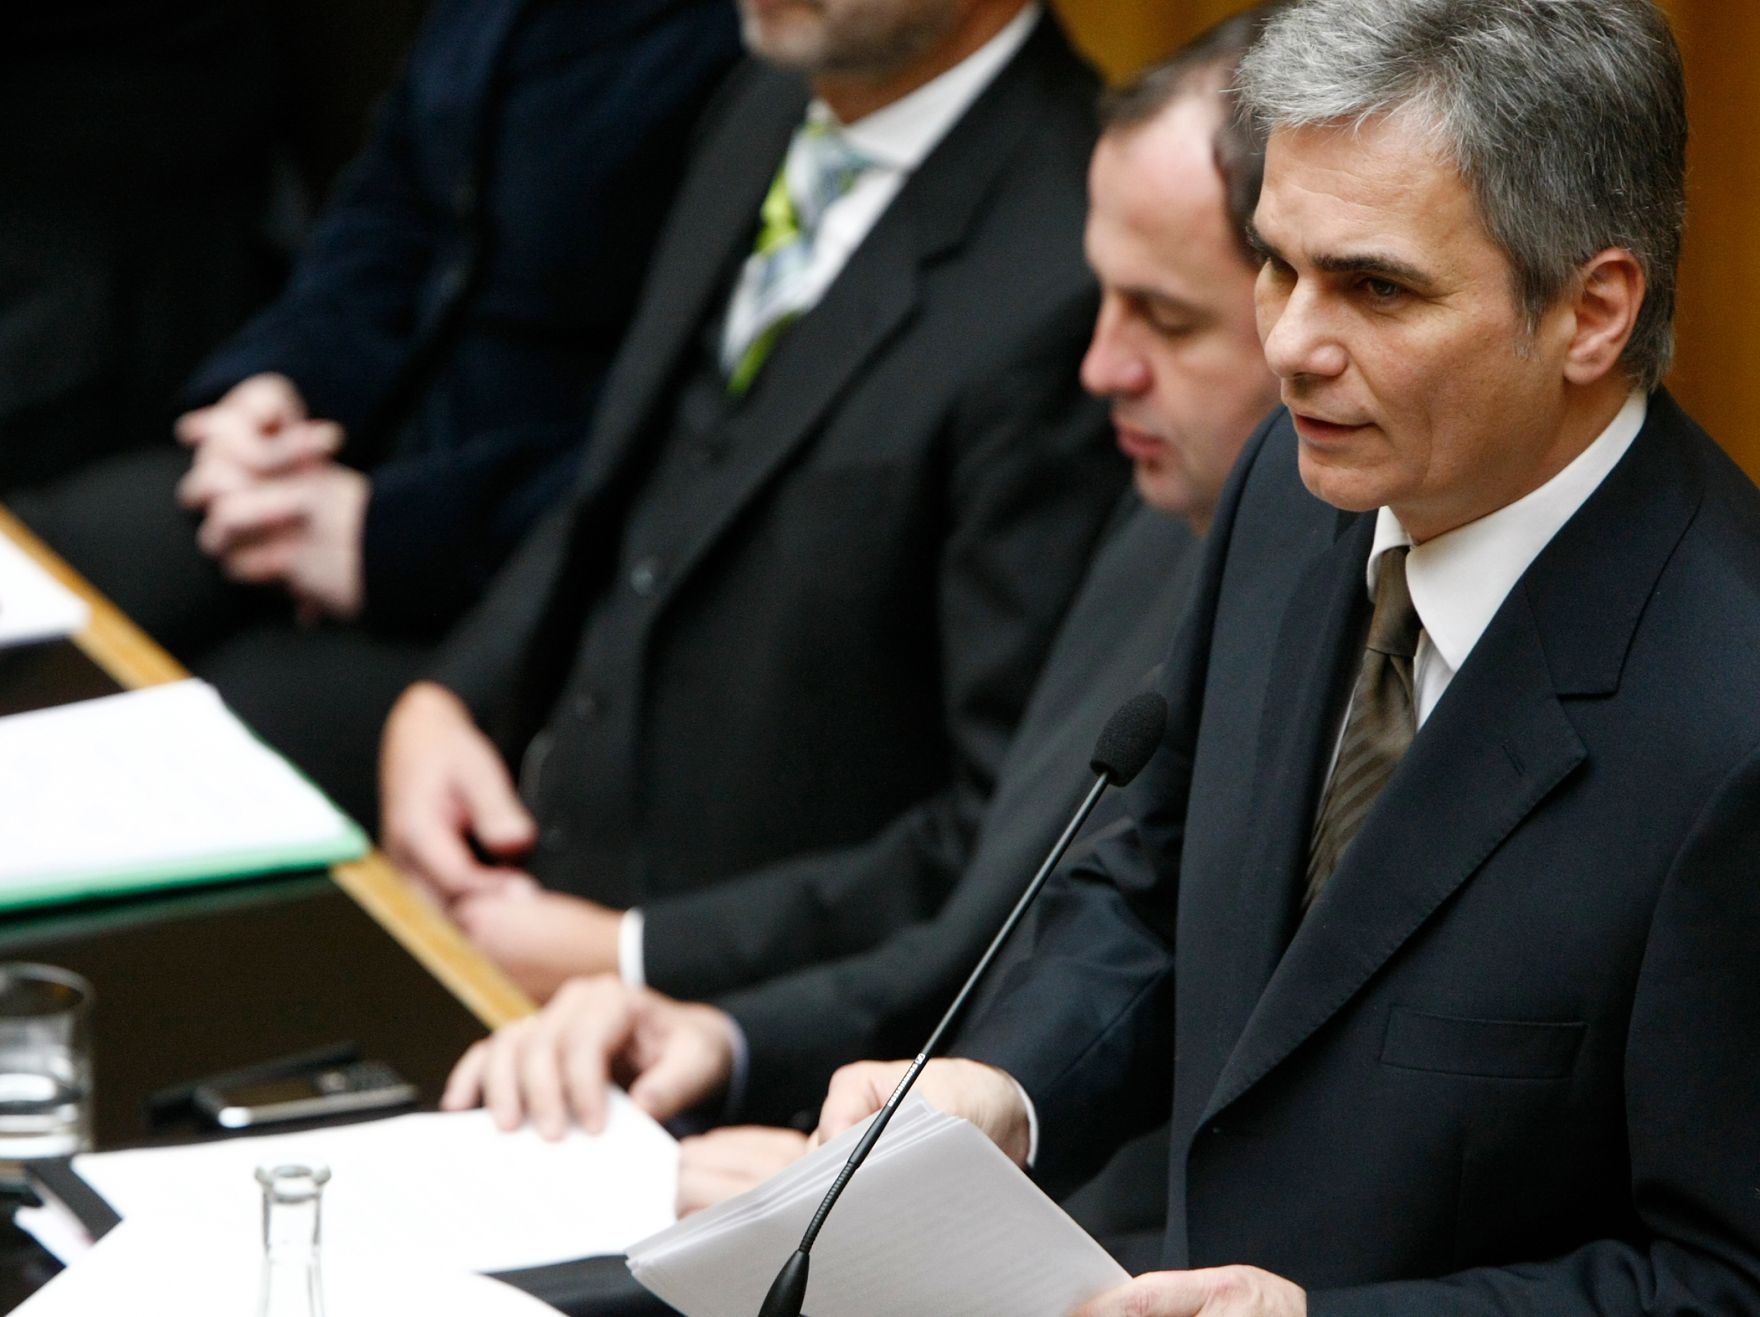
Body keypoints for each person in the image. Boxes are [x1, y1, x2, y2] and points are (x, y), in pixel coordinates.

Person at [811, 1, 1760, 1313]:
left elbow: (1723, 1282)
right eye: (1275, 264)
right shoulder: (1294, 484)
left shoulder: (1734, 720)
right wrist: (1007, 1090)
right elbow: (1158, 873)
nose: (1292, 344)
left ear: (1594, 313)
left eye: (1375, 288)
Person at [437, 9, 1284, 1246]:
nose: (1101, 366)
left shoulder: (1266, 541)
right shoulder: (1173, 517)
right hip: (871, 1142)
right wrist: (714, 1033)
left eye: (1165, 319)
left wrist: (869, 1207)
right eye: (1106, 304)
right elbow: (997, 932)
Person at [379, 0, 1123, 998]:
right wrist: (447, 701)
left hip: (736, 1006)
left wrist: (630, 955)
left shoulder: (1075, 265)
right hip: (528, 854)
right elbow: (627, 489)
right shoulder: (763, 105)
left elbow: (996, 836)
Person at [11, 0, 744, 824]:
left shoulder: (753, 46)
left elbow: (689, 442)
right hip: (346, 457)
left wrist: (389, 535)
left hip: (528, 567)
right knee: (44, 564)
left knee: (180, 763)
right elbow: (390, 207)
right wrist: (279, 387)